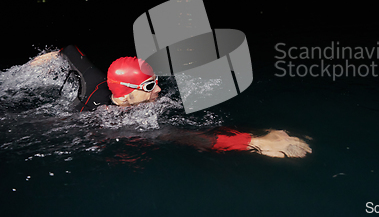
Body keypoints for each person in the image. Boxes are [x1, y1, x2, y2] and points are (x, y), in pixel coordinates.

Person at [30, 45, 312, 158]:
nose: (159, 90)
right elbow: (184, 136)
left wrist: (46, 57)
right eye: (150, 85)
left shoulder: (97, 79)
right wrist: (256, 143)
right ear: (127, 95)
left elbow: (71, 51)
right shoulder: (120, 120)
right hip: (63, 125)